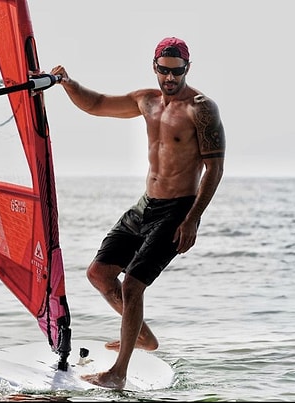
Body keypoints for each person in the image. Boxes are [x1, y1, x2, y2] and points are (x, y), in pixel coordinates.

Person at [51, 37, 225, 389]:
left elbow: (215, 169)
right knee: (99, 273)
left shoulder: (201, 108)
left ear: (187, 69)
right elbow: (96, 104)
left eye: (177, 73)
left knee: (133, 285)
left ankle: (118, 373)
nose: (170, 79)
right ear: (155, 67)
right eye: (164, 71)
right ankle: (144, 337)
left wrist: (192, 218)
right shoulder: (145, 101)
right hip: (146, 203)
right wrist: (68, 83)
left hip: (177, 209)